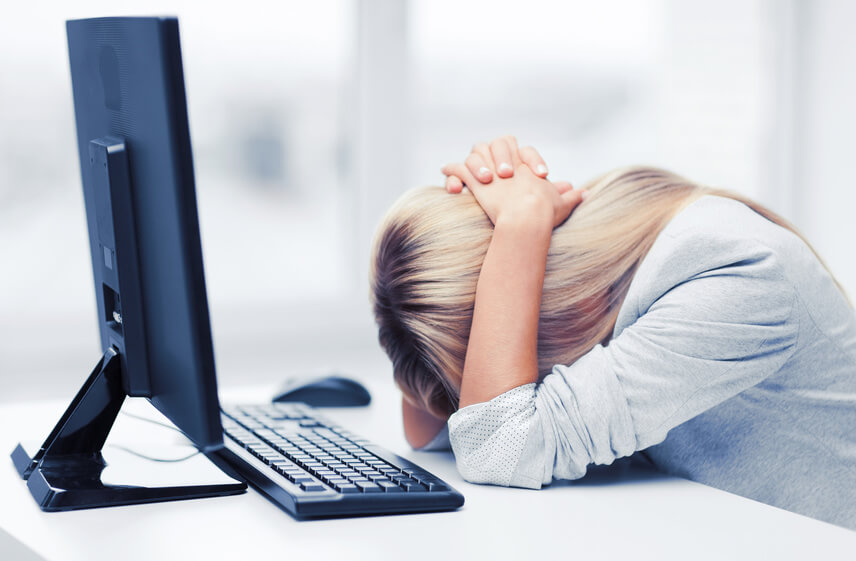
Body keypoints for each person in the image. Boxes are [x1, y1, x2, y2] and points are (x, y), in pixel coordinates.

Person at [369, 136, 856, 529]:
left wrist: (518, 229)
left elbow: (496, 447)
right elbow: (430, 429)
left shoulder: (731, 273)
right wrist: (446, 259)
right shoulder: (611, 249)